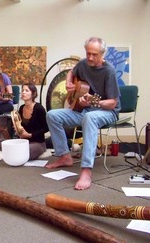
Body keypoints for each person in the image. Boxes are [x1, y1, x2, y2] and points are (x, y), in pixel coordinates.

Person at [46, 37, 121, 190]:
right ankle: (64, 156)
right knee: (52, 115)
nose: (90, 58)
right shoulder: (83, 63)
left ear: (102, 54)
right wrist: (69, 82)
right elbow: (71, 72)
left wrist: (95, 102)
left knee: (90, 117)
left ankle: (86, 170)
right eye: (88, 54)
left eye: (94, 54)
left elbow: (112, 102)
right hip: (84, 109)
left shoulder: (109, 71)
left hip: (106, 111)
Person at [0, 83, 49, 160]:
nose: (23, 92)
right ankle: (14, 150)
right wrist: (17, 129)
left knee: (26, 150)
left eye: (27, 90)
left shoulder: (39, 108)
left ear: (33, 93)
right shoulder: (22, 108)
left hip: (37, 143)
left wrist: (29, 135)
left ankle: (13, 151)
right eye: (22, 90)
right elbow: (20, 126)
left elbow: (46, 128)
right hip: (22, 141)